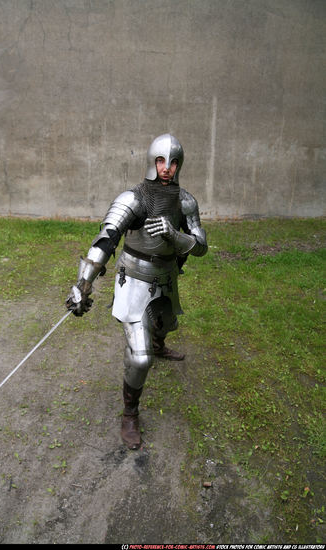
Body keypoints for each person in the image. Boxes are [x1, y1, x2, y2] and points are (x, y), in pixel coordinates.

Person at [66, 134, 208, 450]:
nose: (166, 168)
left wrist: (175, 236)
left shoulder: (186, 202)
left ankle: (159, 343)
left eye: (172, 162)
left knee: (166, 322)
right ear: (151, 161)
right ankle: (130, 413)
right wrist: (83, 284)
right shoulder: (133, 199)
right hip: (134, 279)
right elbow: (106, 239)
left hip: (167, 276)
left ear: (179, 165)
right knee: (140, 359)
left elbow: (201, 246)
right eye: (161, 160)